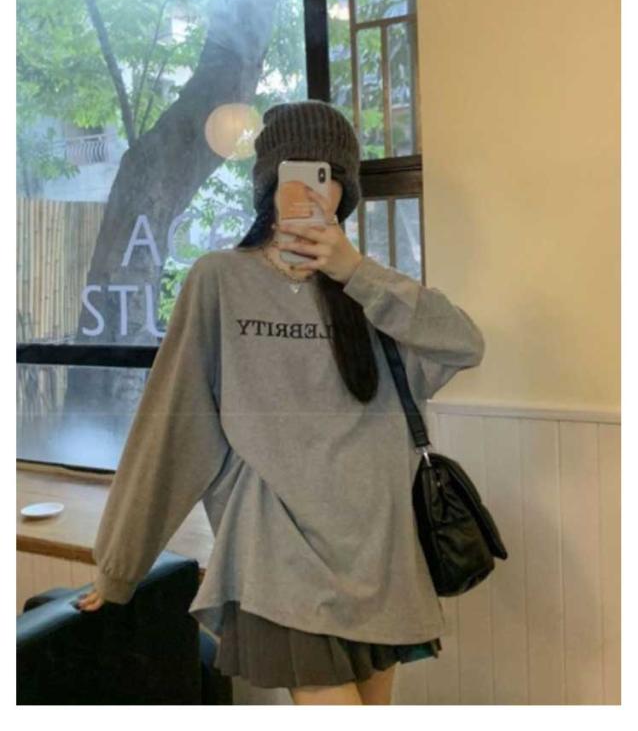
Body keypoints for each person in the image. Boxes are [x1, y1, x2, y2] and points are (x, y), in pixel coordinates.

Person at [77, 100, 485, 705]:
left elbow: (464, 344)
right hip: (280, 558)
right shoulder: (219, 279)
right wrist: (120, 566)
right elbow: (171, 423)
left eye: (331, 175)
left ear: (345, 191)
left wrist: (356, 271)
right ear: (270, 183)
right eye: (299, 173)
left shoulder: (370, 291)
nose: (315, 189)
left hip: (380, 558)